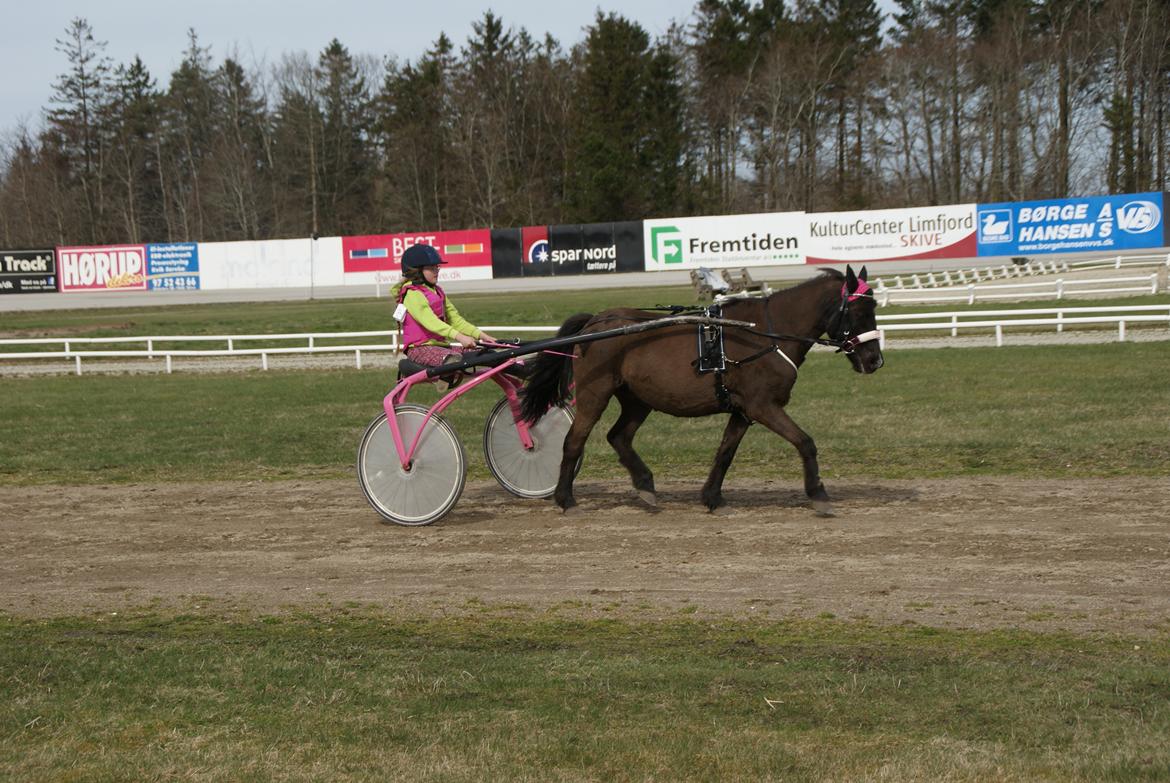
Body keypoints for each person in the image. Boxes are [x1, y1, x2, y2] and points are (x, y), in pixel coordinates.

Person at [392, 244, 495, 381]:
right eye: (431, 268)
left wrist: (482, 335)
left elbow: (455, 320)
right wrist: (460, 337)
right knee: (452, 360)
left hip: (442, 347)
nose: (437, 271)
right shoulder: (412, 294)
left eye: (437, 267)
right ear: (417, 271)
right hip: (419, 350)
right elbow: (431, 322)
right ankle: (443, 379)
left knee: (487, 354)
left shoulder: (437, 291)